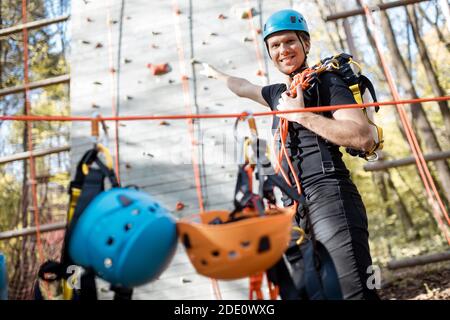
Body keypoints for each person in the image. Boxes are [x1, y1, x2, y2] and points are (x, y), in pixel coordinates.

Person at [200, 9, 379, 300]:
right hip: (294, 209)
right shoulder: (278, 95)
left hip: (330, 197)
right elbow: (243, 87)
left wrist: (302, 116)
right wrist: (216, 74)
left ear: (305, 44)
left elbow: (361, 136)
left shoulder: (326, 81)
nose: (283, 50)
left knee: (354, 293)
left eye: (289, 42)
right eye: (275, 45)